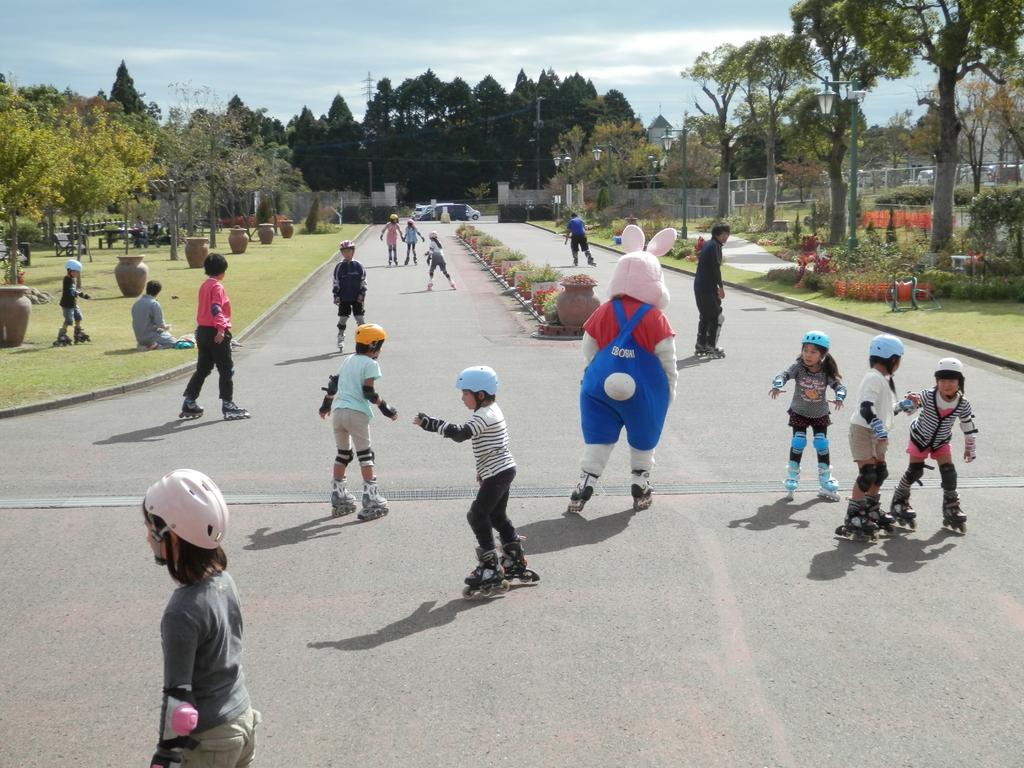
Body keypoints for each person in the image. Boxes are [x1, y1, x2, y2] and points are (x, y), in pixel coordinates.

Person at [142, 469, 261, 768]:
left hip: (209, 742)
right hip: (242, 720)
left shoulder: (181, 611)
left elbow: (178, 699)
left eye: (151, 527)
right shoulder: (224, 582)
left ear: (174, 537)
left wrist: (165, 756)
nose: (147, 536)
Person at [568, 225, 678, 515]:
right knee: (643, 434)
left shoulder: (603, 310)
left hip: (599, 387)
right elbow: (668, 360)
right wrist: (669, 391)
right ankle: (640, 482)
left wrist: (597, 371)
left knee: (599, 436)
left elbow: (588, 349)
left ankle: (585, 482)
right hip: (643, 390)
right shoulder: (655, 317)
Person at [413, 366, 539, 597]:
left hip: (499, 472)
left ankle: (490, 568)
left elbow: (461, 434)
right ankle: (514, 561)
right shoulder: (490, 410)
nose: (462, 398)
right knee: (496, 516)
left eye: (465, 393)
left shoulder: (485, 415)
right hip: (501, 470)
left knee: (477, 515)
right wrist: (483, 471)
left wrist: (433, 424)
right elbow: (490, 445)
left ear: (480, 394)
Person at [836, 333, 916, 541]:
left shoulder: (883, 379)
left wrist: (901, 406)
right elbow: (866, 408)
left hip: (878, 433)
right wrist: (877, 426)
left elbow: (883, 410)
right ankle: (853, 515)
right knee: (868, 474)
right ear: (893, 359)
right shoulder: (873, 377)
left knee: (880, 473)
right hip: (863, 431)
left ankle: (871, 509)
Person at [888, 357, 978, 533]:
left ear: (959, 382)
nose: (947, 385)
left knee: (949, 473)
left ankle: (951, 505)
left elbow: (967, 426)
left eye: (951, 380)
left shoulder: (963, 403)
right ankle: (900, 498)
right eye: (942, 380)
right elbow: (910, 407)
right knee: (915, 470)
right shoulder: (928, 395)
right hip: (920, 438)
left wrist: (969, 447)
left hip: (941, 441)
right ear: (936, 381)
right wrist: (906, 404)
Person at [318, 323, 397, 521]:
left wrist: (325, 406)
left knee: (343, 454)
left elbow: (333, 385)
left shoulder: (348, 360)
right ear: (372, 346)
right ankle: (372, 499)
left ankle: (339, 495)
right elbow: (368, 393)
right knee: (365, 456)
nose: (380, 350)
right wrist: (386, 408)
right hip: (356, 414)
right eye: (379, 345)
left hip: (338, 413)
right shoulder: (370, 364)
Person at [769, 331, 847, 501]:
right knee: (798, 440)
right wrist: (777, 384)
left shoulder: (826, 371)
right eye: (805, 350)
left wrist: (840, 396)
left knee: (821, 443)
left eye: (813, 352)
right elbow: (784, 375)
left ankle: (826, 478)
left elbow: (839, 387)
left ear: (822, 354)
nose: (808, 355)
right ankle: (792, 474)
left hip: (819, 413)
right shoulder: (798, 367)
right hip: (799, 411)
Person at [180, 253, 250, 421]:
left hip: (202, 331)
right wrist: (221, 329)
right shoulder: (217, 286)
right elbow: (216, 309)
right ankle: (228, 404)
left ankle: (189, 401)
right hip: (215, 331)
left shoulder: (204, 285)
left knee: (203, 369)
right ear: (223, 271)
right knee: (226, 369)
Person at [693, 223, 729, 358]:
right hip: (706, 287)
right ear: (718, 234)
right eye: (725, 234)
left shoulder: (710, 244)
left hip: (701, 286)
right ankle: (710, 347)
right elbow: (715, 268)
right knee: (715, 316)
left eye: (727, 234)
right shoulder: (714, 246)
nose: (726, 237)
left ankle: (700, 344)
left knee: (705, 316)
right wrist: (721, 287)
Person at [331, 240, 366, 352]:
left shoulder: (358, 266)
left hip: (357, 297)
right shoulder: (339, 267)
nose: (347, 253)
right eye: (345, 251)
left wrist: (362, 294)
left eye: (349, 251)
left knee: (360, 319)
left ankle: (363, 340)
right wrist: (336, 295)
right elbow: (335, 282)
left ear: (353, 252)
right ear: (342, 253)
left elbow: (363, 282)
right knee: (343, 319)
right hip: (344, 297)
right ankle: (340, 337)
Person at [54, 258, 91, 346]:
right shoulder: (67, 279)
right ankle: (62, 335)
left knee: (79, 317)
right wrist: (80, 294)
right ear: (69, 270)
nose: (78, 274)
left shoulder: (72, 279)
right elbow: (70, 291)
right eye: (76, 272)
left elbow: (74, 290)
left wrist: (82, 294)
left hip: (73, 303)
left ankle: (77, 332)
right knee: (69, 320)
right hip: (67, 304)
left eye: (78, 272)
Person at [132, 280, 178, 350]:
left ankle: (146, 345)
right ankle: (153, 346)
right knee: (175, 342)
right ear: (158, 292)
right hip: (151, 337)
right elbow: (160, 325)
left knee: (165, 335)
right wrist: (167, 327)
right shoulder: (154, 304)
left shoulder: (136, 303)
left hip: (140, 339)